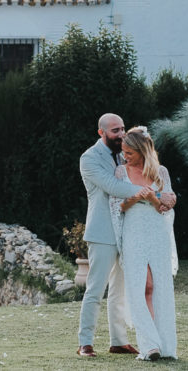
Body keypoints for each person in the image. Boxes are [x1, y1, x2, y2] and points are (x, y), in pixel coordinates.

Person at [76, 113, 151, 358]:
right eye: (115, 131)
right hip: (102, 232)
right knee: (95, 289)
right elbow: (113, 187)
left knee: (121, 290)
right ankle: (85, 343)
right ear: (102, 133)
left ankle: (118, 341)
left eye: (122, 129)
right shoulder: (89, 158)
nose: (120, 134)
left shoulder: (124, 152)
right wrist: (148, 192)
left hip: (126, 230)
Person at [111, 126, 178, 360]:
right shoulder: (121, 172)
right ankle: (149, 345)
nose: (124, 156)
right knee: (140, 286)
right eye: (123, 151)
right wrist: (134, 198)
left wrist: (154, 197)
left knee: (158, 287)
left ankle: (164, 344)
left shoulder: (161, 172)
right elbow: (118, 205)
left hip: (157, 232)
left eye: (129, 152)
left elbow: (167, 204)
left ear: (142, 150)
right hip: (134, 232)